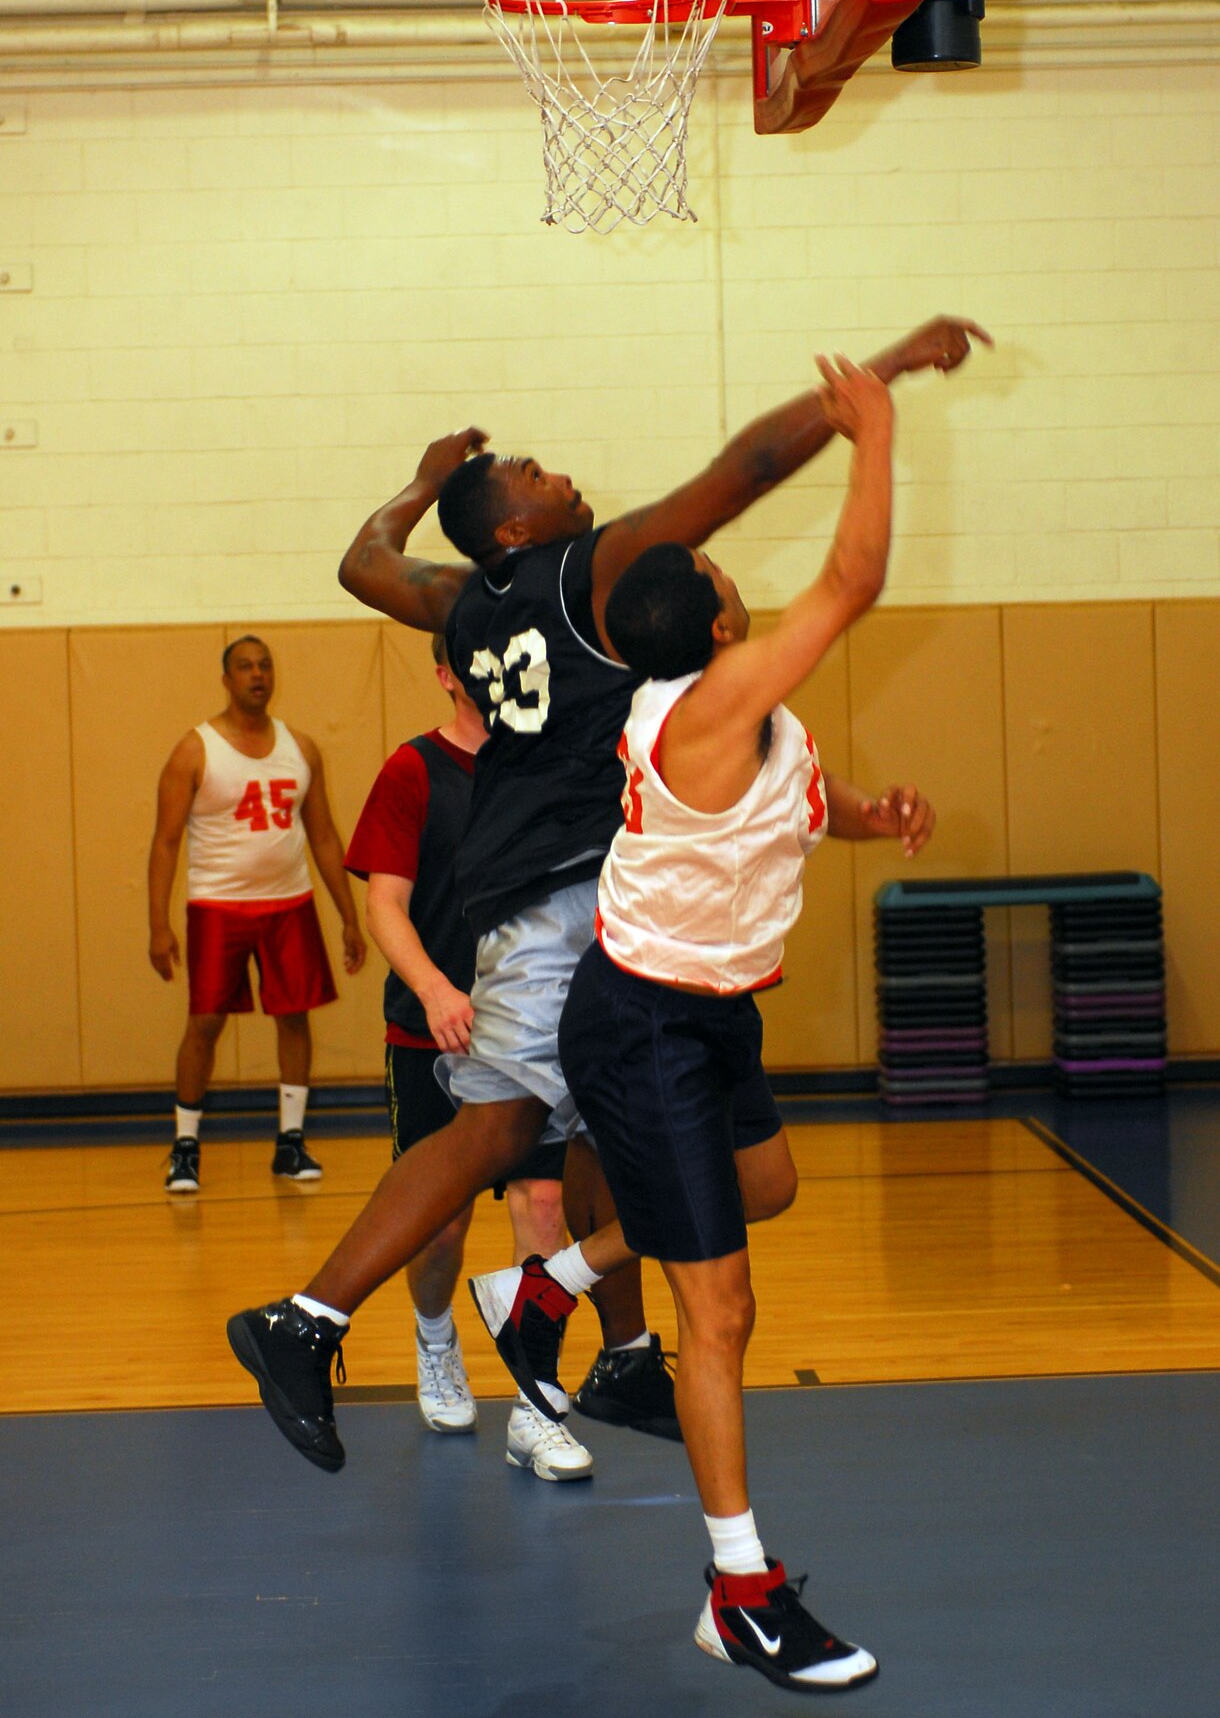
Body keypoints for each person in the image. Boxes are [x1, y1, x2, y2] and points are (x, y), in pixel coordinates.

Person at [226, 315, 985, 1472]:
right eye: (531, 472)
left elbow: (361, 561)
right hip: (553, 893)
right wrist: (863, 388)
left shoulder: (464, 600)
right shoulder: (587, 573)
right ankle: (305, 1318)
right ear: (522, 525)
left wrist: (425, 482)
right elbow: (738, 474)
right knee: (497, 1123)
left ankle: (618, 1344)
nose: (555, 467)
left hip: (589, 895)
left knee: (602, 1118)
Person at [469, 356, 934, 1692]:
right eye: (734, 586)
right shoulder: (706, 708)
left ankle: (548, 1281)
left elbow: (803, 796)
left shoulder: (750, 721)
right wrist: (876, 426)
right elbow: (854, 583)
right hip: (648, 1028)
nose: (751, 588)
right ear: (720, 628)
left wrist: (876, 816)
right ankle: (738, 1589)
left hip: (706, 1016)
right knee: (716, 1308)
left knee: (766, 1188)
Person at [344, 629, 593, 1480]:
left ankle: (536, 1402)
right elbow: (386, 907)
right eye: (474, 657)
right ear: (450, 672)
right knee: (442, 1224)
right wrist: (436, 989)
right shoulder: (414, 771)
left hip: (535, 1037)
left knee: (542, 1206)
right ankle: (435, 1334)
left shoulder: (555, 766)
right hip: (435, 1033)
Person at [149, 635, 366, 1192]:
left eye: (265, 665)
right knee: (205, 1022)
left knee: (294, 1017)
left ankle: (290, 1144)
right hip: (218, 906)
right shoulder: (194, 750)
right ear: (226, 679)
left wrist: (347, 914)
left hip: (288, 903)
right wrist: (158, 925)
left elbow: (322, 836)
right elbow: (166, 842)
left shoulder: (301, 748)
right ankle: (185, 1146)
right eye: (245, 667)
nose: (257, 675)